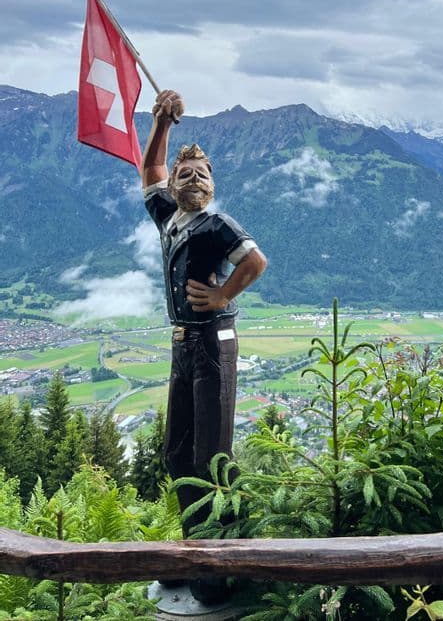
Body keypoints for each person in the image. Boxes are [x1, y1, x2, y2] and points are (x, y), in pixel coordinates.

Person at [141, 89, 267, 605]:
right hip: (182, 343)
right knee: (177, 451)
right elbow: (148, 169)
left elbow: (255, 262)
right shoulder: (170, 217)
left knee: (211, 454)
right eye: (185, 174)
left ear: (213, 185)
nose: (193, 180)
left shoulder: (218, 224)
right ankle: (194, 546)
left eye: (202, 174)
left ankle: (218, 564)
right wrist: (161, 123)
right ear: (175, 185)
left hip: (215, 343)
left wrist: (222, 296)